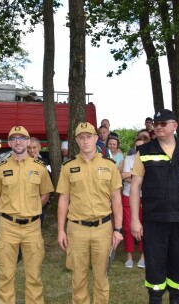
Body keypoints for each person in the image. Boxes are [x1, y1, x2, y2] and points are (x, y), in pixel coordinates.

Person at [130, 109, 179, 304]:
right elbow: (135, 187)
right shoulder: (145, 151)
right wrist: (134, 220)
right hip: (155, 221)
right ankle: (155, 298)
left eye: (163, 123)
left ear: (174, 126)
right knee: (155, 266)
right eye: (156, 124)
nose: (158, 127)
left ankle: (176, 298)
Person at [56, 122, 123, 303]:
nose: (85, 141)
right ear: (76, 140)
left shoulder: (109, 166)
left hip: (103, 228)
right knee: (78, 278)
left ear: (96, 138)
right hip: (77, 229)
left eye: (89, 136)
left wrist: (118, 229)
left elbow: (116, 199)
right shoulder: (68, 167)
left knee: (102, 278)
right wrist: (61, 230)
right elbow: (63, 199)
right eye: (81, 137)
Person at [0, 126, 54, 304]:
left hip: (33, 227)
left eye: (22, 138)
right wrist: (9, 208)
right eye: (14, 138)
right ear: (9, 143)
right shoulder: (0, 168)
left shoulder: (39, 167)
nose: (18, 141)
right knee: (5, 276)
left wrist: (30, 208)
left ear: (28, 141)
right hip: (8, 227)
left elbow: (45, 194)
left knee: (34, 276)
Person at [121, 135, 149, 269]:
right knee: (127, 227)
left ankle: (144, 256)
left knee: (146, 226)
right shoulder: (129, 159)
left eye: (141, 146)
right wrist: (140, 179)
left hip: (146, 196)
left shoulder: (149, 159)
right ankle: (129, 256)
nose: (139, 148)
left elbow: (129, 176)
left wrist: (132, 175)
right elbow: (124, 177)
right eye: (137, 146)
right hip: (128, 194)